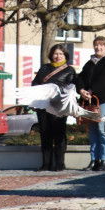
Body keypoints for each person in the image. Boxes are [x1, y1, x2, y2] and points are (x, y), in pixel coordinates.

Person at [32, 43, 79, 171]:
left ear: (65, 55)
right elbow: (34, 83)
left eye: (60, 54)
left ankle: (59, 163)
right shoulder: (44, 68)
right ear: (51, 55)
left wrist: (56, 91)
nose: (57, 56)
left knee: (59, 134)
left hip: (58, 107)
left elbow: (71, 88)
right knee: (45, 134)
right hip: (43, 105)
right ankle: (46, 163)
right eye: (55, 53)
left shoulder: (69, 70)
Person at [79, 36, 105, 171]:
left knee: (102, 130)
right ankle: (94, 160)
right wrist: (82, 90)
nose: (98, 47)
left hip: (103, 100)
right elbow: (81, 77)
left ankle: (104, 159)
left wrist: (92, 89)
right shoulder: (90, 63)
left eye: (101, 45)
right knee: (93, 131)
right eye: (96, 45)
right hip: (90, 102)